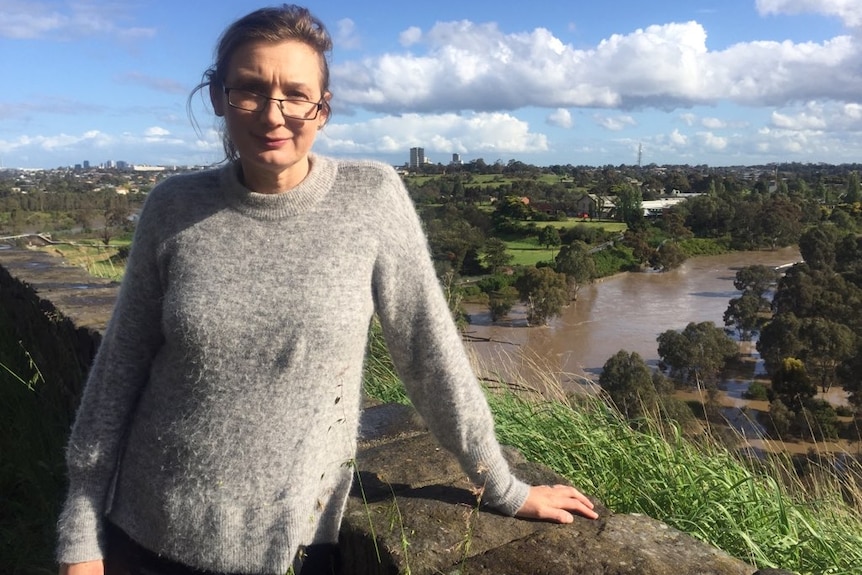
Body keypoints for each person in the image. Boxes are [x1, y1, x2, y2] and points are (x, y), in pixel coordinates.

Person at [56, 4, 597, 575]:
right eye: (249, 90)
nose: (273, 113)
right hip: (146, 531)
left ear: (322, 109)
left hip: (294, 543)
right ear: (219, 97)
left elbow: (427, 351)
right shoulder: (173, 206)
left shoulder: (371, 197)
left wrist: (502, 485)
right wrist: (80, 534)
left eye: (295, 94)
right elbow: (119, 373)